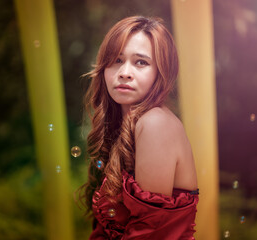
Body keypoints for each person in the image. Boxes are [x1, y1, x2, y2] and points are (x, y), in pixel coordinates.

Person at [80, 16, 198, 240]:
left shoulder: (155, 123)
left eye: (141, 62)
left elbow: (149, 234)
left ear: (161, 73)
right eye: (116, 60)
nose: (124, 72)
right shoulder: (122, 127)